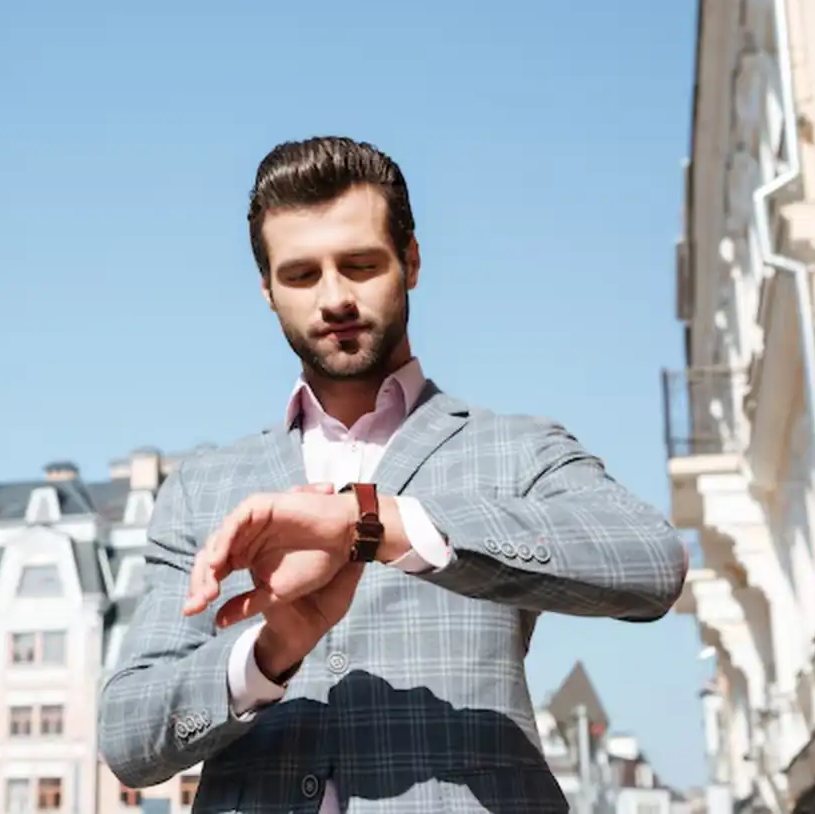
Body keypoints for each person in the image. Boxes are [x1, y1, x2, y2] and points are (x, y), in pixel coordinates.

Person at [97, 136, 687, 814]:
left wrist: (374, 524)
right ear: (266, 290)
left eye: (359, 264)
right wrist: (271, 652)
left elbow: (650, 562)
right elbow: (128, 737)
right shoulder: (205, 487)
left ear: (410, 260)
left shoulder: (516, 449)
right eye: (301, 275)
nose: (334, 298)